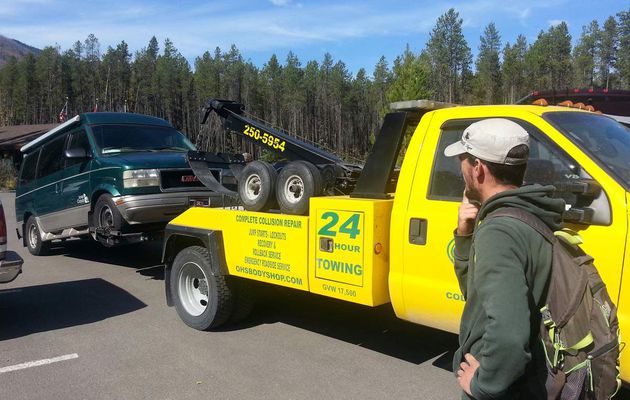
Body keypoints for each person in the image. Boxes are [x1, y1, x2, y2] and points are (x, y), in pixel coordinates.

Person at [443, 118, 566, 399]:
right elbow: (477, 297)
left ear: (478, 168)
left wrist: (484, 385)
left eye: (463, 159)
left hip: (511, 389)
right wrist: (465, 236)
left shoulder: (499, 232)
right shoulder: (532, 212)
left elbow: (509, 334)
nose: (460, 168)